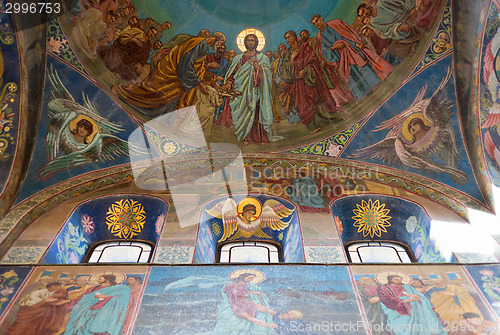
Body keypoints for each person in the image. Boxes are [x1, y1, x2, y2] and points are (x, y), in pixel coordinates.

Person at [112, 32, 226, 117]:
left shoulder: (202, 46)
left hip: (176, 74)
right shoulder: (200, 44)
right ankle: (122, 92)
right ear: (216, 39)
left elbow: (193, 64)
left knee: (164, 98)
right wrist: (198, 82)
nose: (220, 46)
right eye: (221, 43)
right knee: (153, 92)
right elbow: (186, 63)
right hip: (172, 73)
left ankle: (153, 113)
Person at [311, 14, 392, 101]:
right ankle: (362, 93)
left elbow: (348, 32)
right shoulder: (320, 38)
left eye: (317, 21)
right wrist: (334, 47)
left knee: (361, 64)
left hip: (351, 47)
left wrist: (355, 42)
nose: (316, 24)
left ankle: (373, 82)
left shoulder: (335, 23)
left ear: (321, 18)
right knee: (351, 74)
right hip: (340, 57)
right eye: (314, 24)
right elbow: (324, 52)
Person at [220, 34, 280, 145]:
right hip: (242, 92)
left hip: (258, 92)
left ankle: (263, 139)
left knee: (258, 113)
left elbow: (267, 75)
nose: (251, 43)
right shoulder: (238, 58)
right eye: (248, 40)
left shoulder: (263, 58)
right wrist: (229, 82)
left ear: (257, 43)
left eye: (253, 40)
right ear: (245, 43)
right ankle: (246, 137)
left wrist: (258, 67)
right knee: (245, 115)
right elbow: (232, 74)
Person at [280, 30, 344, 134]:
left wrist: (305, 71)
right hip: (297, 85)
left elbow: (314, 62)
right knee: (301, 105)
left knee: (315, 100)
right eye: (286, 38)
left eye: (289, 37)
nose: (288, 40)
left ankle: (327, 119)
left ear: (294, 36)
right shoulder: (287, 54)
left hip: (308, 80)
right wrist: (292, 58)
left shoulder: (305, 47)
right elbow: (284, 71)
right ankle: (312, 126)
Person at [377, 274, 447, 334]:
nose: (399, 281)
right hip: (397, 309)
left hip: (412, 307)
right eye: (396, 279)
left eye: (400, 279)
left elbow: (420, 296)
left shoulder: (407, 287)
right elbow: (386, 299)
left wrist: (417, 298)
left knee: (417, 308)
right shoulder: (383, 288)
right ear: (390, 279)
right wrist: (406, 300)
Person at [63, 274, 131, 335]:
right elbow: (81, 299)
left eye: (100, 278)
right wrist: (67, 302)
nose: (98, 280)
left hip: (103, 312)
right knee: (80, 327)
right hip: (86, 311)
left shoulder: (118, 288)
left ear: (107, 279)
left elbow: (122, 299)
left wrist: (106, 297)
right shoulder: (92, 288)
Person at [213, 272, 278, 334]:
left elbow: (243, 293)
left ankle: (278, 314)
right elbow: (236, 295)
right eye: (250, 278)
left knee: (262, 308)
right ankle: (267, 325)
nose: (251, 280)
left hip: (247, 303)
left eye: (252, 278)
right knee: (249, 317)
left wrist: (256, 292)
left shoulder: (244, 285)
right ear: (244, 277)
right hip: (238, 306)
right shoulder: (231, 286)